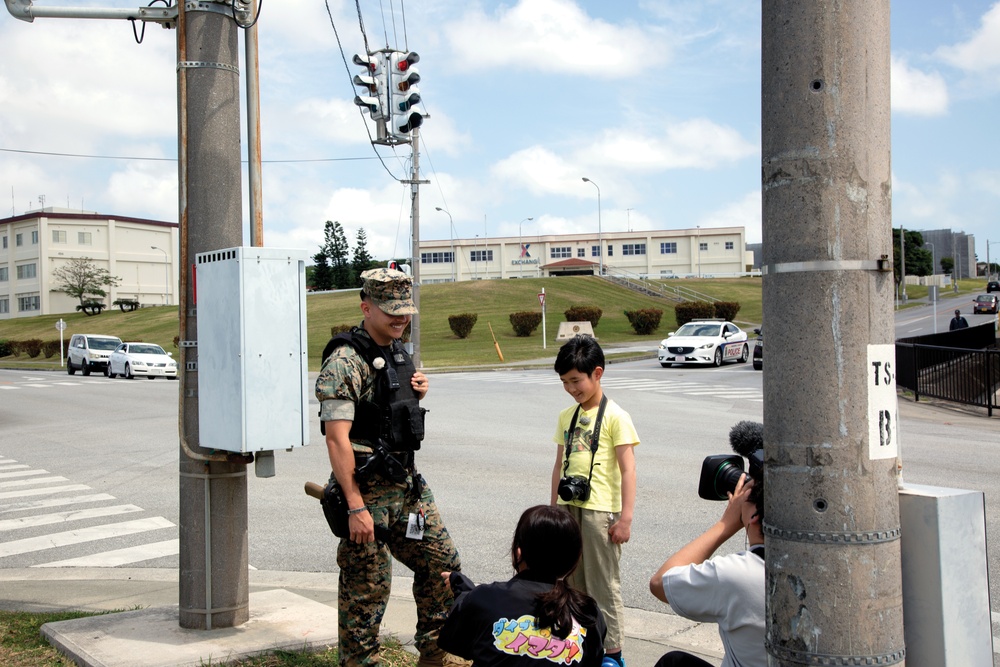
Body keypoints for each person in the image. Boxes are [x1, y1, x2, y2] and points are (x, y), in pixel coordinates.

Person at [316, 267, 462, 667]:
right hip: (366, 493)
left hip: (406, 486)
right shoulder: (345, 362)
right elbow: (336, 438)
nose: (401, 318)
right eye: (392, 311)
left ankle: (436, 652)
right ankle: (360, 662)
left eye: (406, 310)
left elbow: (391, 406)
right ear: (366, 307)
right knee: (369, 587)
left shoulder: (399, 349)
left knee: (442, 566)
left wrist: (417, 391)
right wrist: (355, 506)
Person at [550, 335, 639, 667]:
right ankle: (578, 643)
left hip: (601, 511)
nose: (572, 388)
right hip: (569, 507)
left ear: (597, 373)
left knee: (602, 584)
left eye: (576, 380)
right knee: (569, 580)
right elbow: (559, 465)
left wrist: (625, 518)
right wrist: (553, 511)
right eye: (565, 382)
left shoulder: (616, 416)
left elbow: (628, 470)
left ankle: (612, 653)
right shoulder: (566, 417)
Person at [438, 505, 607, 667]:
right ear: (575, 559)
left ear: (518, 552)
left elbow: (454, 643)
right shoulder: (588, 612)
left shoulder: (485, 598)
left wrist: (464, 593)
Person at [648, 474, 765, 667]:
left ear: (755, 517)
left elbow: (659, 583)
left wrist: (725, 524)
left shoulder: (737, 574)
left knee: (673, 664)